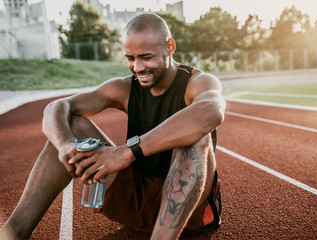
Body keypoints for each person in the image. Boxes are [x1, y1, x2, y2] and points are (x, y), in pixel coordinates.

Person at [0, 13, 226, 240]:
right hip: (138, 203)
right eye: (130, 58)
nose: (137, 67)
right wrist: (64, 145)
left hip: (189, 216)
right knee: (73, 125)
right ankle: (13, 233)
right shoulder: (126, 88)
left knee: (195, 137)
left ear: (169, 47)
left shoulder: (198, 82)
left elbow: (211, 110)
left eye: (146, 57)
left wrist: (128, 151)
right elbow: (56, 107)